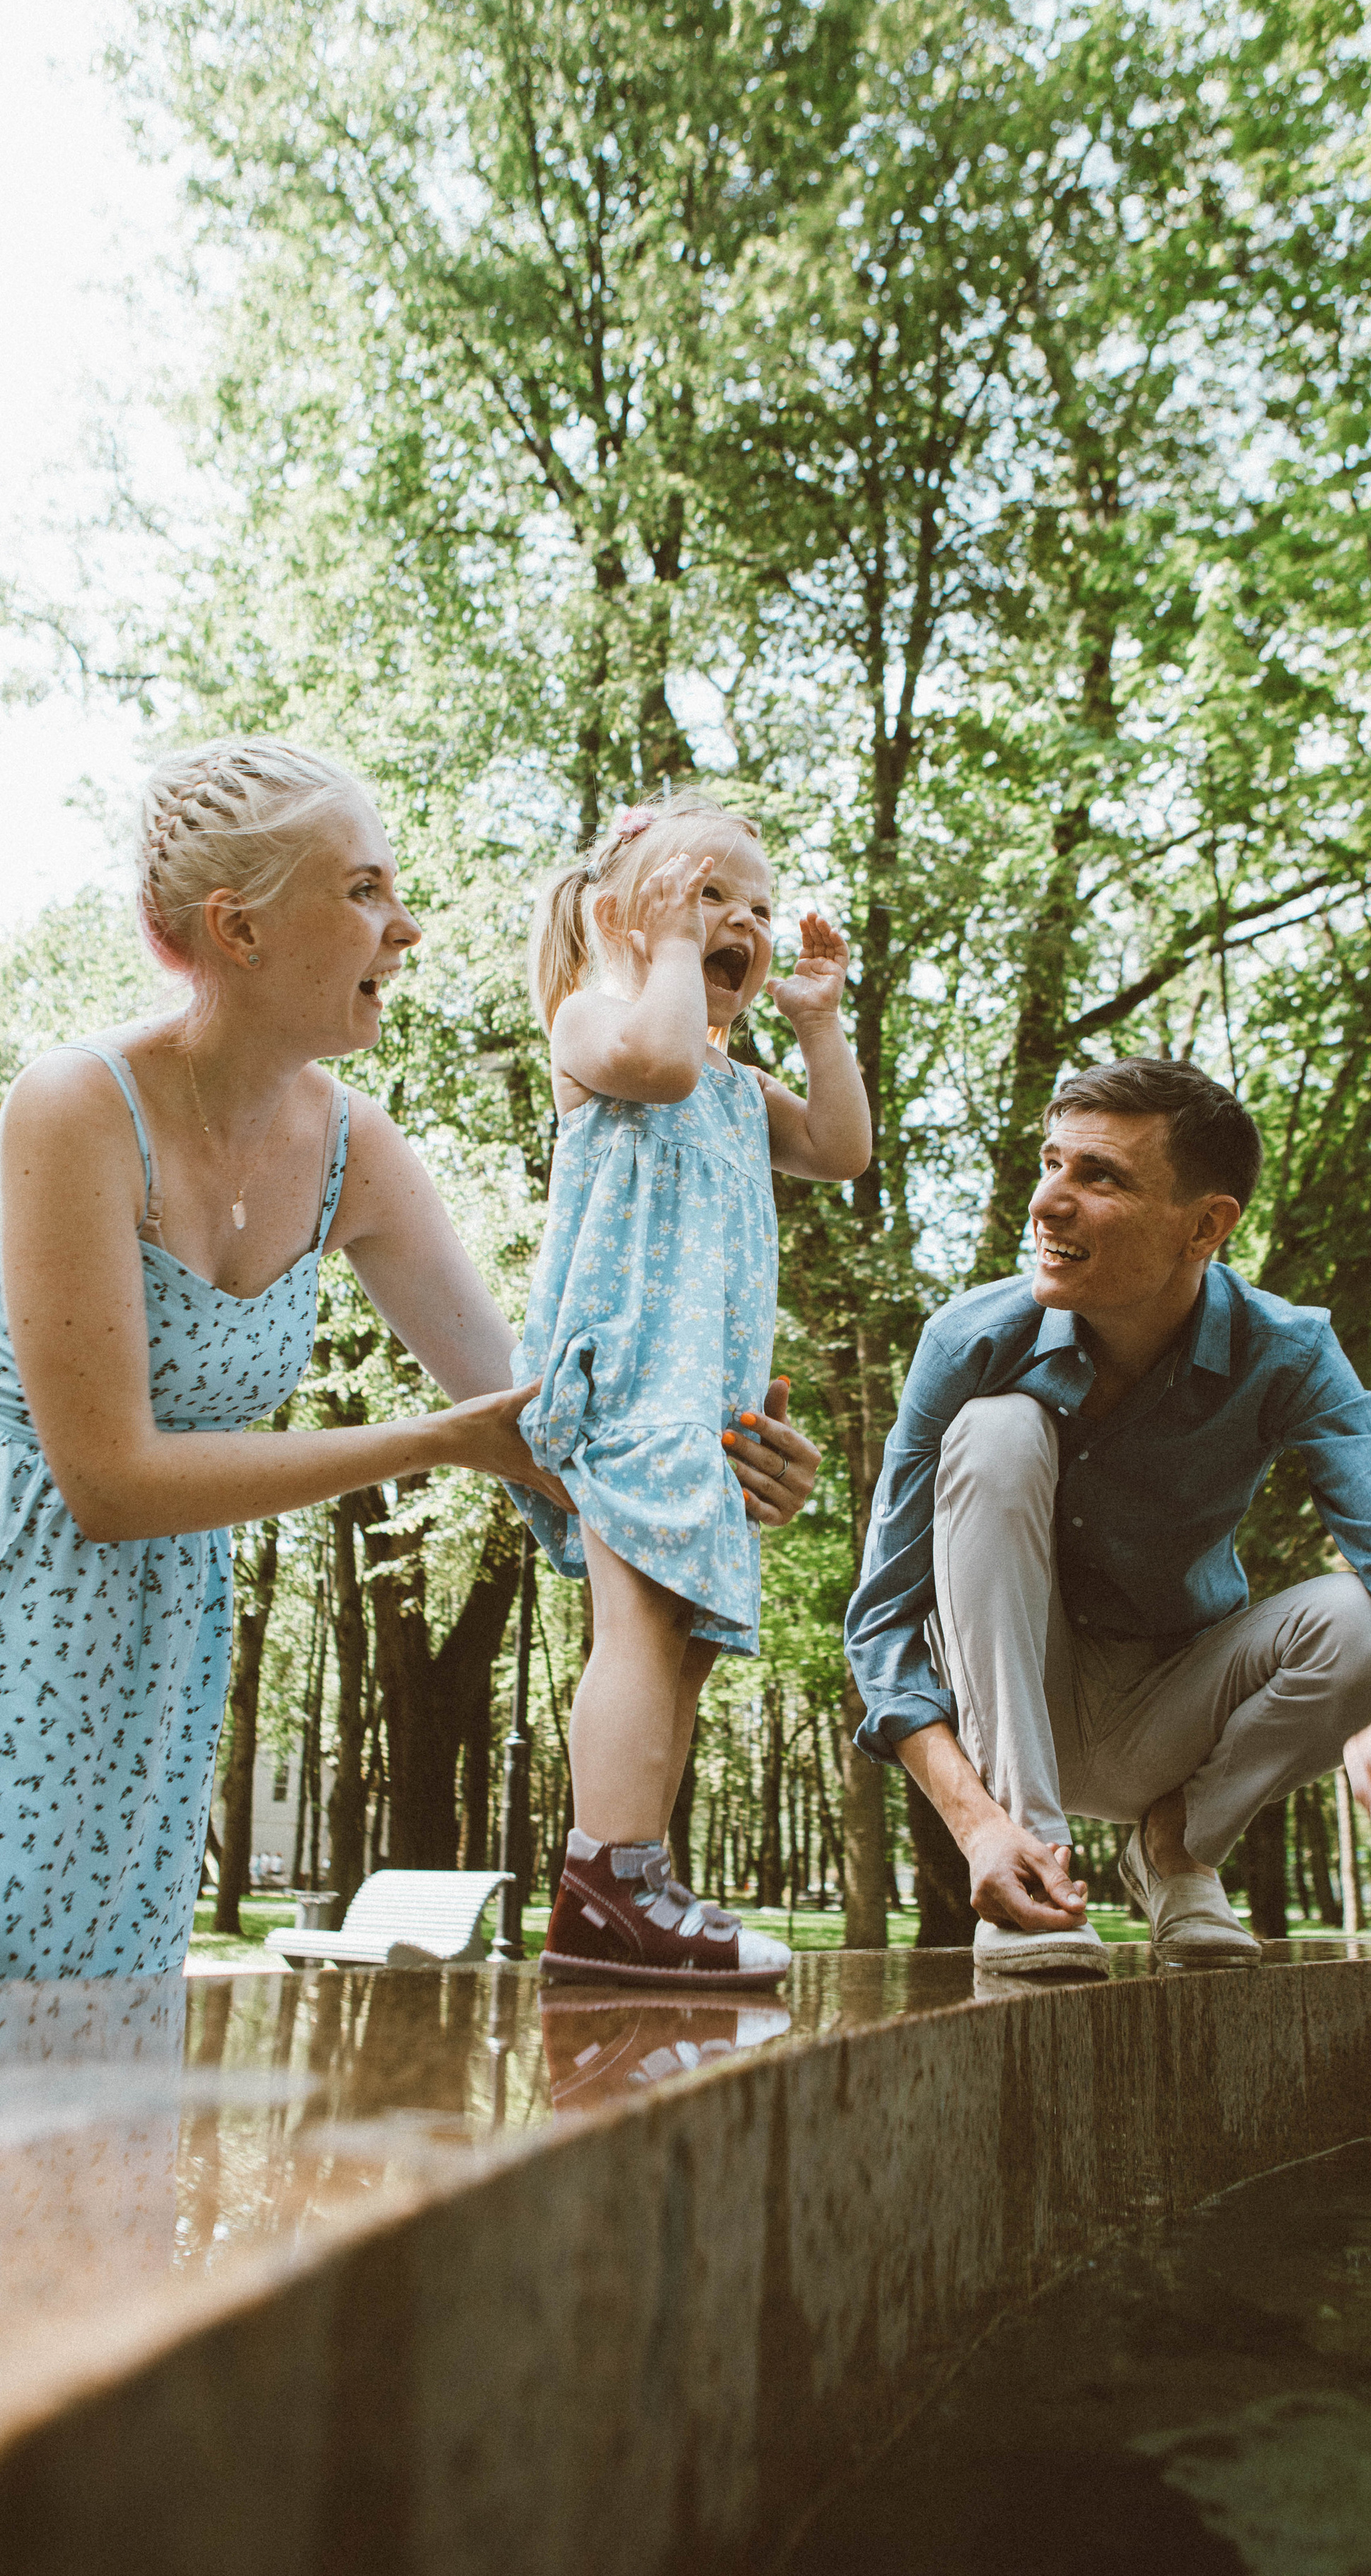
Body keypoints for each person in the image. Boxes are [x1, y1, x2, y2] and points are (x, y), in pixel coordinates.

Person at [0, 740, 819, 1986]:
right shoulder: (72, 1105)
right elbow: (109, 1483)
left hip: (154, 1637)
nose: (408, 929)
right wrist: (437, 1444)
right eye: (363, 892)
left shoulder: (358, 1151)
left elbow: (535, 1418)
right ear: (240, 929)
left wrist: (710, 1466)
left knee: (100, 2032)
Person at [845, 1056, 1371, 1975]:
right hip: (1004, 1702)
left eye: (1101, 1176)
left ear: (1206, 1226)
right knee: (998, 1433)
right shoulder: (969, 1341)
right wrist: (980, 1827)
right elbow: (884, 1619)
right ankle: (1035, 1874)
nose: (1048, 1202)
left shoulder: (1288, 1353)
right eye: (1051, 1163)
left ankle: (1175, 1851)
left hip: (1172, 1713)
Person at [516, 791, 871, 1988]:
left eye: (756, 908)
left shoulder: (736, 1085)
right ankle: (607, 1876)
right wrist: (666, 953)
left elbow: (841, 1148)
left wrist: (817, 1027)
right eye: (705, 895)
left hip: (706, 1403)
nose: (741, 922)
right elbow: (658, 1064)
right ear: (618, 917)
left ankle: (641, 1880)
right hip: (624, 1379)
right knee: (638, 1627)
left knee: (686, 1647)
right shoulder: (593, 1026)